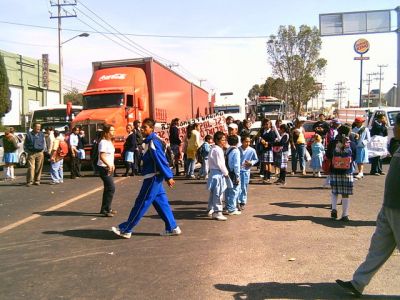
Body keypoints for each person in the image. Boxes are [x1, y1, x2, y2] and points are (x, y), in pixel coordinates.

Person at [336, 113, 400, 297]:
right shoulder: (397, 145)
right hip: (389, 207)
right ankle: (358, 283)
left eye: (397, 125)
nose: (393, 128)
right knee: (377, 248)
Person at [112, 118, 181, 238]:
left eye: (145, 128)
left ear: (151, 128)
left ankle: (126, 229)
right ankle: (172, 227)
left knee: (141, 202)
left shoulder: (153, 141)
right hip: (154, 176)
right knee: (161, 203)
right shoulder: (149, 141)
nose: (143, 129)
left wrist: (168, 176)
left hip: (153, 177)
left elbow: (160, 159)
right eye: (142, 127)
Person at [326, 125, 355, 222]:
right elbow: (354, 157)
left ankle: (334, 209)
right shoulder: (352, 144)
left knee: (335, 191)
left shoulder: (333, 143)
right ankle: (345, 214)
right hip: (347, 171)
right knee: (345, 193)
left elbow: (328, 155)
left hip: (335, 169)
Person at [207, 131, 229, 221]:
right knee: (218, 194)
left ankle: (211, 209)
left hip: (213, 173)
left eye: (225, 140)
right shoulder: (218, 150)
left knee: (214, 193)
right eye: (222, 140)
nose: (224, 141)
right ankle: (217, 212)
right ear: (217, 140)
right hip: (218, 173)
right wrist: (226, 173)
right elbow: (221, 164)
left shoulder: (213, 148)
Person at [97, 124, 117, 217]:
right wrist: (109, 165)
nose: (113, 132)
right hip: (104, 168)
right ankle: (105, 209)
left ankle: (106, 208)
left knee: (108, 188)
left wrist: (112, 165)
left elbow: (110, 156)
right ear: (106, 132)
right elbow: (102, 156)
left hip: (109, 167)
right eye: (111, 130)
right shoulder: (103, 142)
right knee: (111, 188)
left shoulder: (109, 142)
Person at [238, 133, 258, 209]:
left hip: (246, 171)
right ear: (242, 142)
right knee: (237, 187)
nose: (248, 143)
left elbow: (256, 159)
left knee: (244, 186)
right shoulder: (238, 149)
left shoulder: (252, 150)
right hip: (238, 171)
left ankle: (243, 201)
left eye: (249, 142)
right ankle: (237, 201)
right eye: (246, 141)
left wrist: (251, 162)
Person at [225, 135, 241, 216]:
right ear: (237, 142)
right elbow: (236, 165)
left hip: (227, 172)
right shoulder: (236, 151)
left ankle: (228, 207)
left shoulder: (228, 149)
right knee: (234, 191)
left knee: (228, 190)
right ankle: (232, 208)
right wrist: (238, 176)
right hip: (233, 173)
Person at [259, 118, 277, 184]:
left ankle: (268, 177)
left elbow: (273, 142)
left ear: (270, 125)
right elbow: (260, 138)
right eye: (265, 124)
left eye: (267, 124)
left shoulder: (271, 132)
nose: (266, 125)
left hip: (268, 149)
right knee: (264, 163)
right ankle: (265, 177)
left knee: (269, 163)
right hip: (263, 149)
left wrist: (267, 143)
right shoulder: (262, 131)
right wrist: (261, 140)